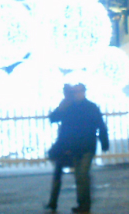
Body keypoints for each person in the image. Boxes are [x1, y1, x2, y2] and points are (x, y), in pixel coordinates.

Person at [46, 83, 108, 214]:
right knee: (80, 176)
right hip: (77, 147)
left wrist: (104, 141)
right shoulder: (71, 107)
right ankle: (83, 205)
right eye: (76, 92)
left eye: (79, 91)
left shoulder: (89, 107)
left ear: (84, 92)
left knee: (81, 176)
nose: (77, 94)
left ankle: (84, 205)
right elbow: (54, 118)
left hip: (85, 147)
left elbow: (100, 125)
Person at [46, 84, 74, 212]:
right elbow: (54, 118)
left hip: (70, 143)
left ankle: (53, 202)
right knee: (60, 172)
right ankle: (53, 202)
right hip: (65, 144)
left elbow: (54, 118)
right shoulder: (66, 104)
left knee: (60, 173)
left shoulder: (72, 105)